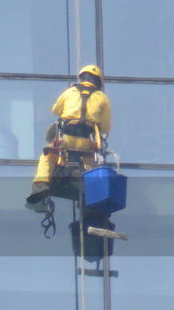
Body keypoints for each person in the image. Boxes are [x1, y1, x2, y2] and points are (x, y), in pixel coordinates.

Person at [26, 65, 111, 209]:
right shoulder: (102, 98)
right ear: (98, 82)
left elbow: (56, 110)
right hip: (87, 143)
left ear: (81, 77)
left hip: (66, 139)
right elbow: (105, 126)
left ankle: (41, 185)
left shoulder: (70, 92)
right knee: (90, 167)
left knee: (48, 157)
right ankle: (88, 200)